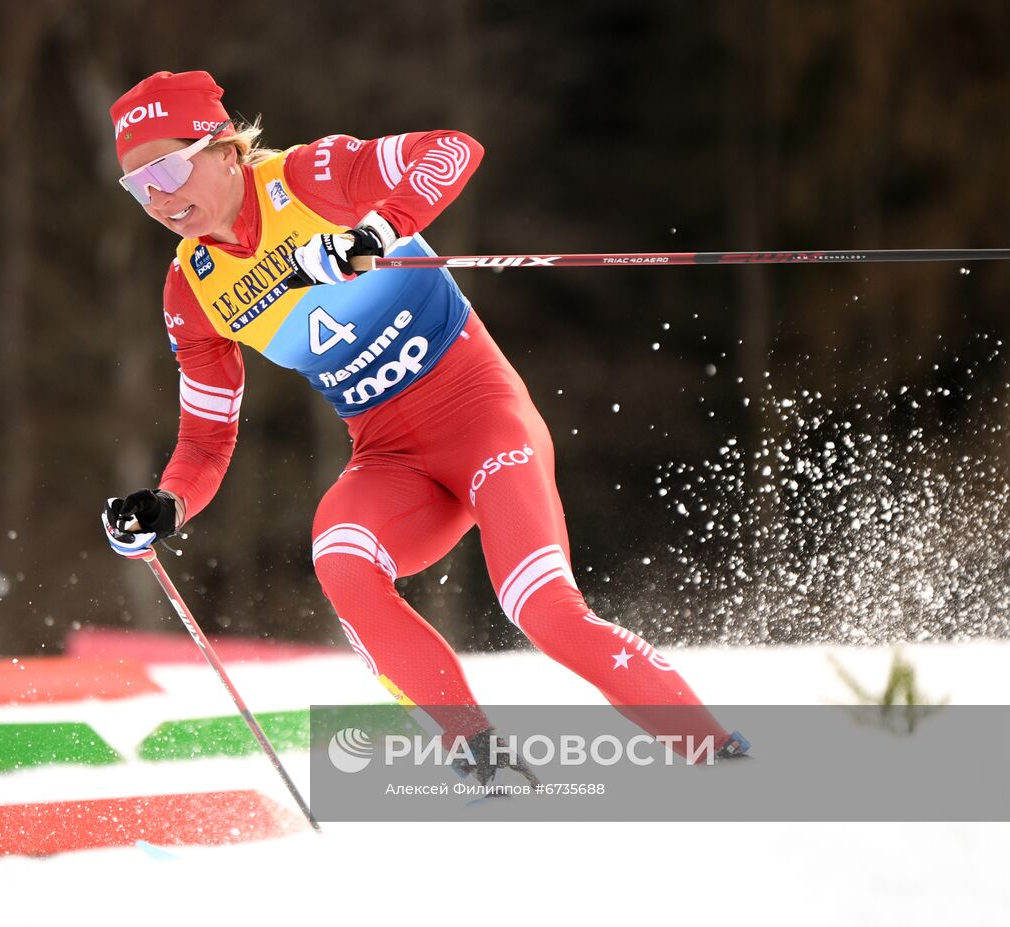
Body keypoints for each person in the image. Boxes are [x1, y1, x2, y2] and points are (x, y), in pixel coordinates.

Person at [101, 70, 745, 779]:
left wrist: (377, 228)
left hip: (482, 420)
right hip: (391, 458)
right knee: (341, 558)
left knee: (542, 609)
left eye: (165, 166)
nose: (157, 195)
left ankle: (718, 754)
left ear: (225, 150)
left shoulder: (310, 177)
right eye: (137, 184)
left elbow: (451, 149)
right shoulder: (191, 289)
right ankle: (487, 763)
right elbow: (206, 438)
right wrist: (168, 501)